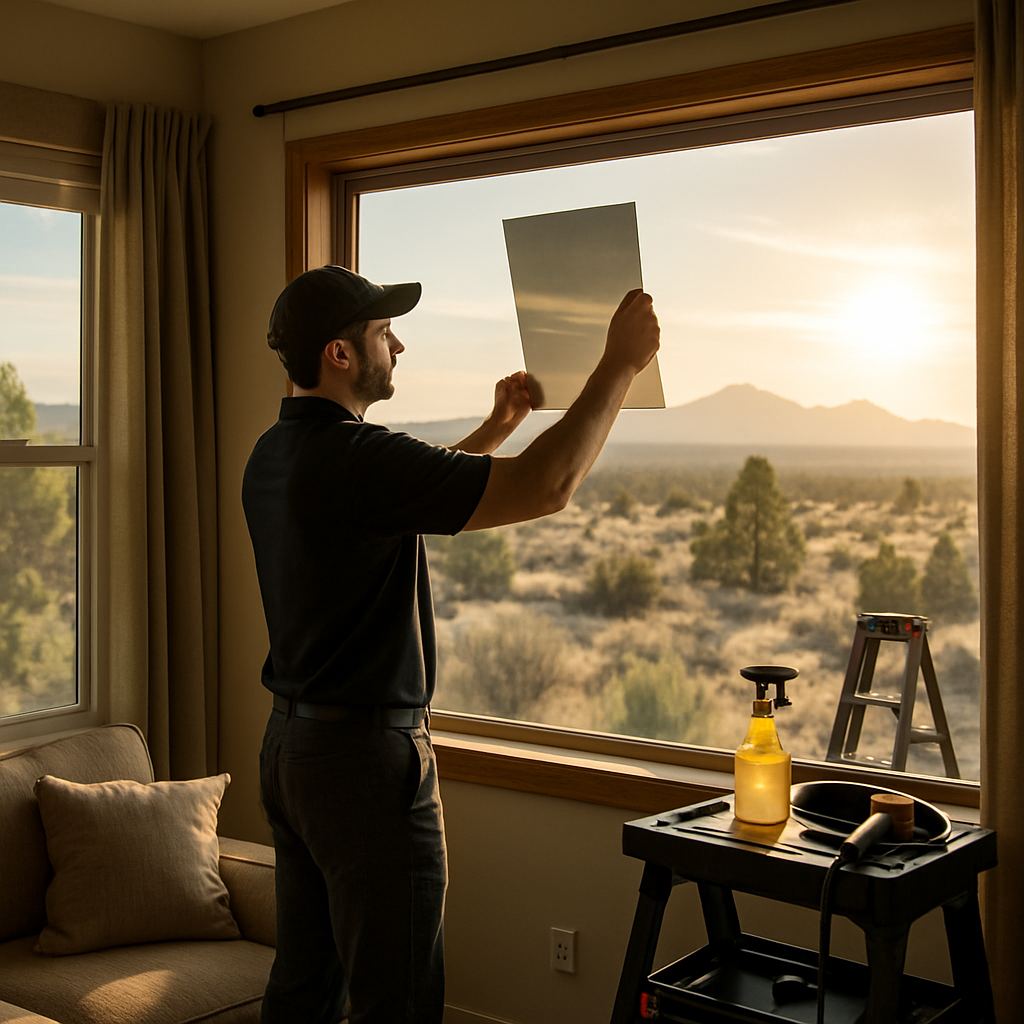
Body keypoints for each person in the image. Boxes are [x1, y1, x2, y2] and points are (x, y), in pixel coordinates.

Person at [242, 264, 659, 1024]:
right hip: (366, 769)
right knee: (395, 1002)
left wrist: (496, 430)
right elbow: (546, 485)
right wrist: (620, 364)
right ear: (340, 354)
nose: (396, 346)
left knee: (303, 991)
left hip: (291, 751)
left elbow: (398, 501)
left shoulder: (275, 454)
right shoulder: (355, 457)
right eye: (381, 333)